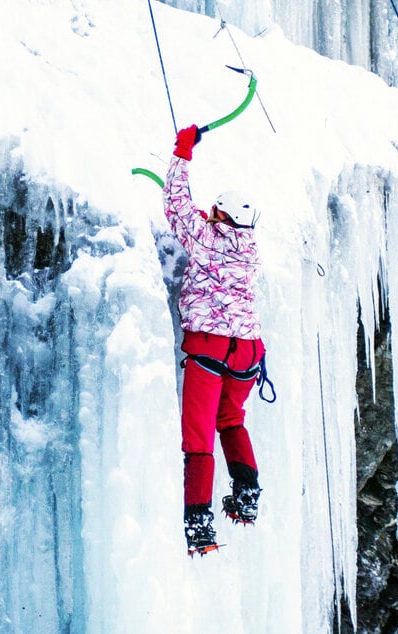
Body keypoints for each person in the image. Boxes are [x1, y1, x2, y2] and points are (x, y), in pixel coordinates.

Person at [163, 125, 265, 556]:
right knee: (231, 420)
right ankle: (246, 494)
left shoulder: (205, 239)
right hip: (247, 351)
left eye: (213, 212)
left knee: (199, 438)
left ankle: (199, 523)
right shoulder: (251, 250)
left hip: (209, 346)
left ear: (220, 216)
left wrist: (183, 150)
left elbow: (175, 204)